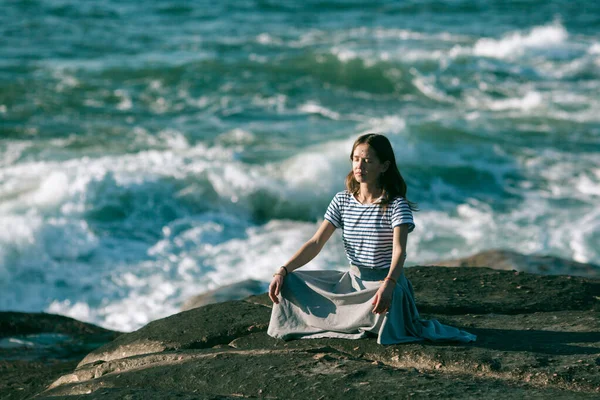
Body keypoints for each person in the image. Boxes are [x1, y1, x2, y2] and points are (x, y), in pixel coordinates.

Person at [266, 133, 477, 345]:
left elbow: (399, 251)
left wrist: (389, 285)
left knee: (384, 317)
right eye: (356, 159)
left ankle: (356, 317)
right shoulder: (342, 200)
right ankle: (349, 317)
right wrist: (283, 270)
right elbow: (315, 243)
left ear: (384, 166)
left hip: (383, 286)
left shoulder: (396, 205)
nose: (360, 166)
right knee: (290, 282)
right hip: (352, 284)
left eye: (367, 161)